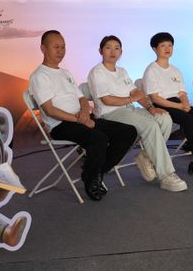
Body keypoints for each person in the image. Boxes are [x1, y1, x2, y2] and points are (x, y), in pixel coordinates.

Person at [29, 30, 138, 201]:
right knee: (99, 138)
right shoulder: (39, 76)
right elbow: (50, 110)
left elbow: (82, 99)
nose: (60, 51)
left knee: (128, 132)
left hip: (82, 118)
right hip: (61, 125)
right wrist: (80, 119)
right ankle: (92, 180)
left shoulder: (65, 73)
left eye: (63, 47)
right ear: (43, 48)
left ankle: (94, 173)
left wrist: (85, 113)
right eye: (56, 47)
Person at [88, 35, 188, 192]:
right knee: (150, 125)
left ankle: (146, 156)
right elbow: (107, 100)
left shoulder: (122, 71)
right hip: (110, 113)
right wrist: (130, 98)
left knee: (164, 118)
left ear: (121, 52)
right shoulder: (97, 72)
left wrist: (150, 108)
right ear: (101, 51)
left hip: (128, 110)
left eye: (117, 48)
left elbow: (136, 92)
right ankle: (166, 175)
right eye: (108, 48)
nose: (113, 51)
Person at [143, 32, 193, 177]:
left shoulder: (175, 70)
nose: (167, 48)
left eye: (170, 45)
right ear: (154, 49)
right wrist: (179, 107)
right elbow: (155, 98)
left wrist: (185, 103)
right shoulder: (151, 70)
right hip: (162, 105)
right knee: (189, 119)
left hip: (178, 103)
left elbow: (182, 93)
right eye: (163, 45)